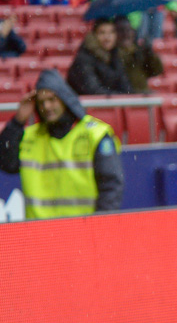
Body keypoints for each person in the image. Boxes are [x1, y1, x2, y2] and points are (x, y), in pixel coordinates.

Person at [0, 68, 123, 218]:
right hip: (38, 234)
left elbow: (111, 186)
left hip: (82, 231)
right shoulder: (30, 136)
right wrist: (18, 121)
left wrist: (100, 226)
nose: (46, 107)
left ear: (65, 99)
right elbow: (7, 164)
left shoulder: (95, 134)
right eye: (41, 102)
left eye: (52, 99)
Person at [66, 18, 134, 96]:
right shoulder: (84, 59)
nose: (107, 37)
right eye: (102, 33)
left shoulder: (115, 55)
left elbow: (125, 86)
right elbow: (93, 90)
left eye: (111, 32)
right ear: (94, 35)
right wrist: (120, 96)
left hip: (109, 103)